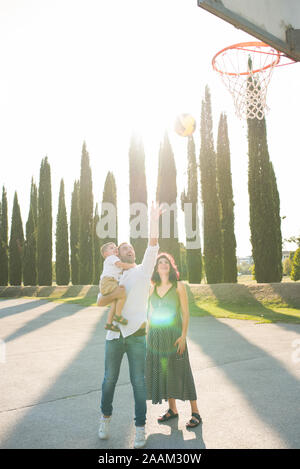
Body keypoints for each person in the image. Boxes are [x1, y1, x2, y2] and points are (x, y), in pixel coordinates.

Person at [97, 202, 161, 449]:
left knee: (139, 382)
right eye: (125, 248)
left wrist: (153, 220)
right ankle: (104, 418)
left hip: (136, 336)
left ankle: (140, 428)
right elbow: (100, 301)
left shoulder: (143, 271)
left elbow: (153, 244)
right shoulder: (113, 274)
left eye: (132, 247)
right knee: (109, 380)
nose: (129, 249)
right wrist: (118, 292)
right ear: (118, 255)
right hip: (113, 336)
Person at [146, 252, 202, 429]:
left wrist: (183, 336)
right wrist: (148, 334)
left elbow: (185, 313)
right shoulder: (152, 287)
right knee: (164, 372)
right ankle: (172, 410)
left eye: (166, 262)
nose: (163, 264)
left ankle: (196, 413)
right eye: (160, 262)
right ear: (156, 267)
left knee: (182, 371)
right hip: (156, 336)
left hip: (175, 336)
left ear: (170, 267)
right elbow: (150, 312)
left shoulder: (178, 286)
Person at [99, 241, 135, 332]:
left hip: (110, 282)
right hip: (108, 281)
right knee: (122, 293)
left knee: (115, 303)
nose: (114, 248)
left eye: (115, 247)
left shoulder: (114, 262)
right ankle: (118, 316)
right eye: (111, 248)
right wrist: (132, 266)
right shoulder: (111, 258)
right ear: (106, 254)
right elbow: (99, 302)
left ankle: (109, 323)